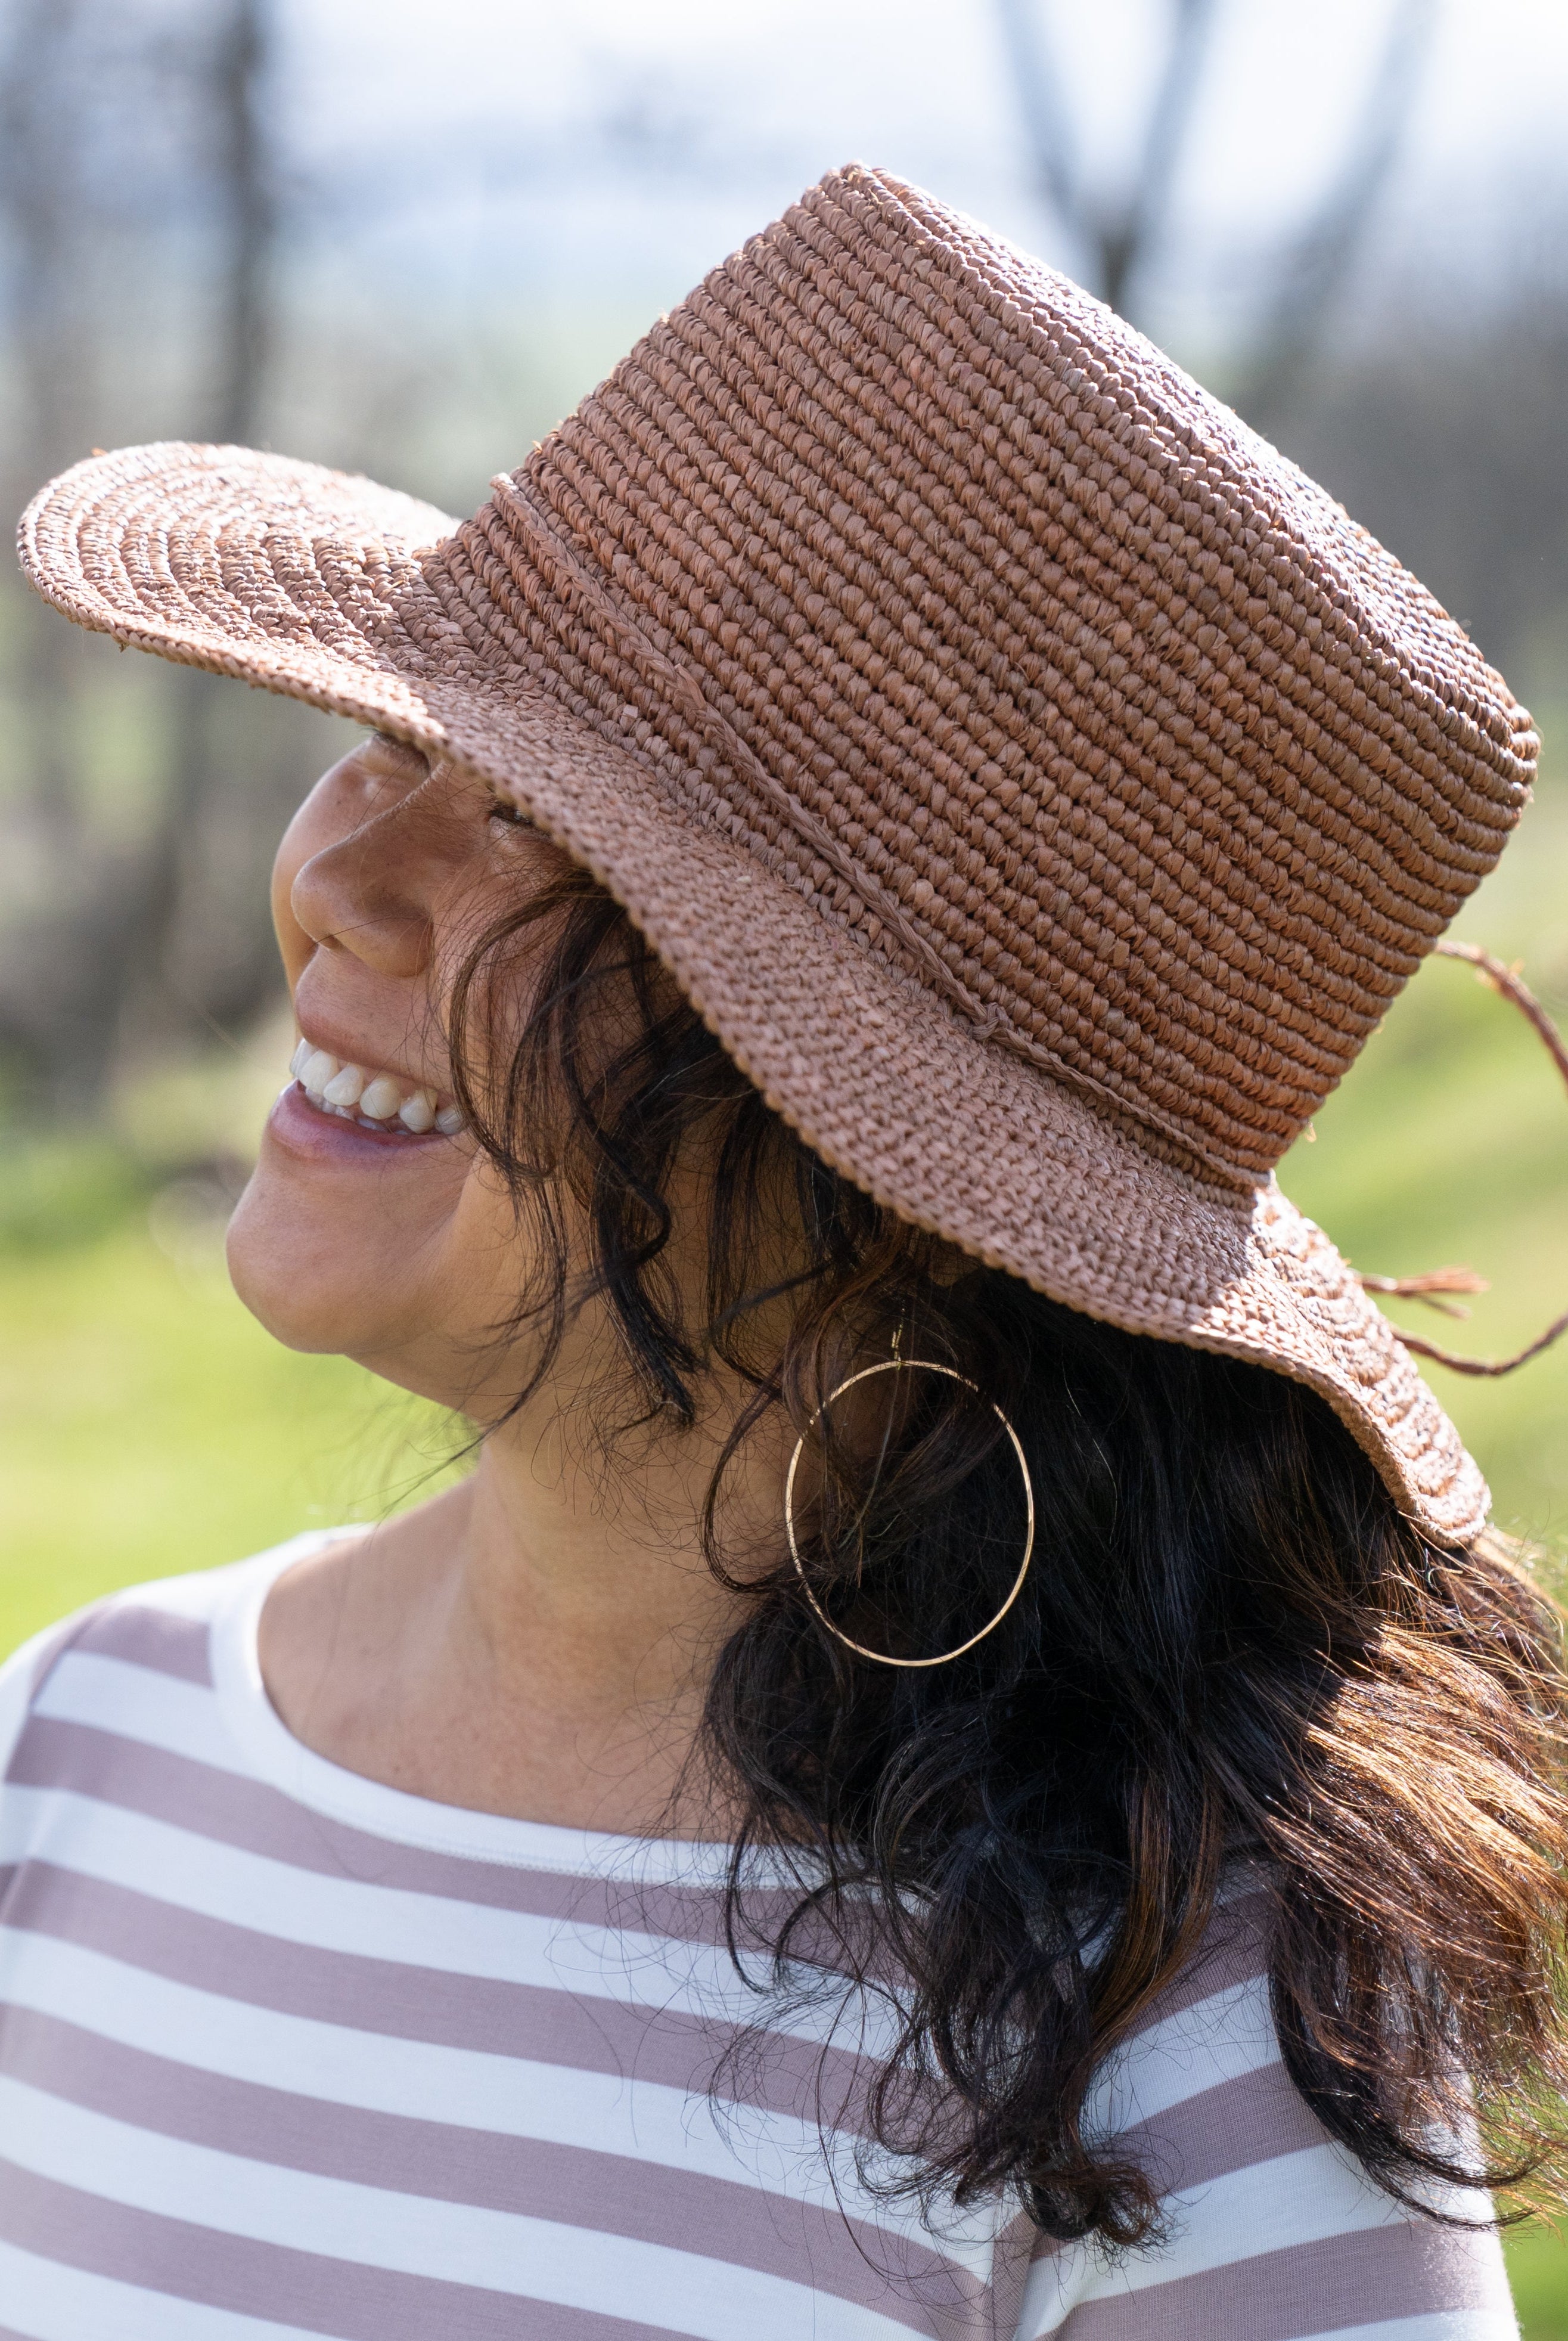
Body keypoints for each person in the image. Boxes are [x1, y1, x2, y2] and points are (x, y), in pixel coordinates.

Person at [3, 163, 1563, 2340]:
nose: (344, 873)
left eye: (538, 825)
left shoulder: (1173, 2053)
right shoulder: (74, 1757)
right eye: (392, 734)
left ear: (911, 1171)